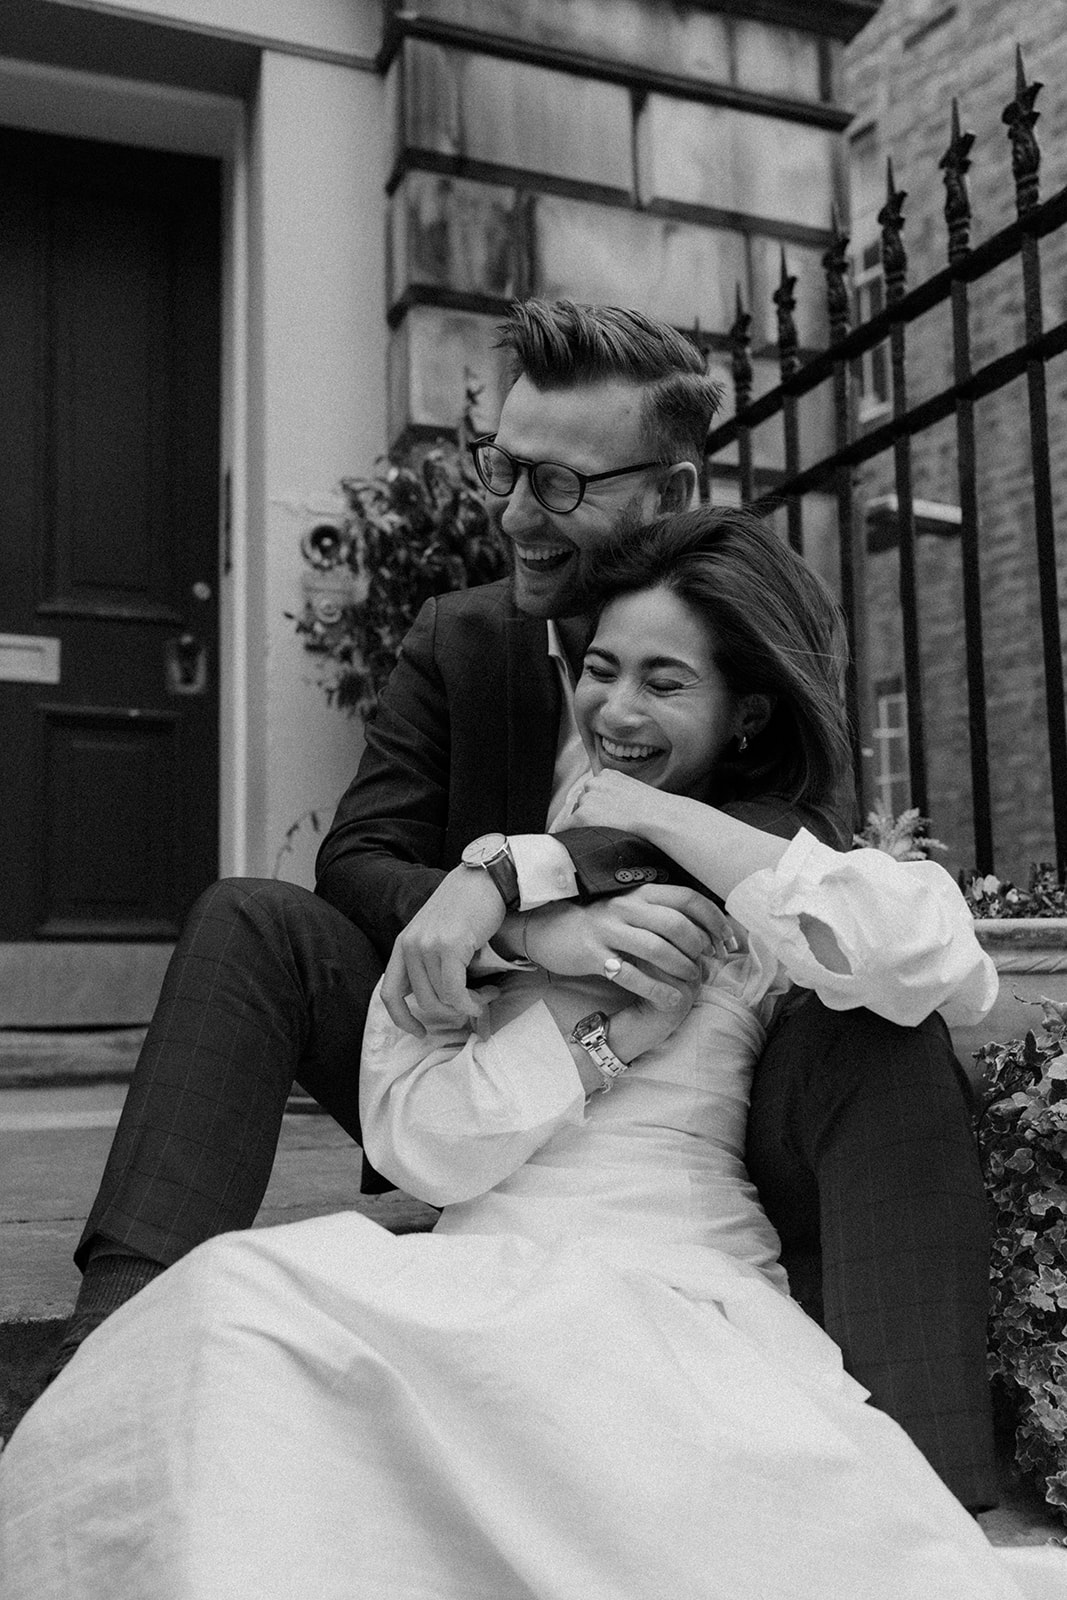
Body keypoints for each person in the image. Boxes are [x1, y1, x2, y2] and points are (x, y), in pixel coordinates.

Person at [2, 510, 1057, 1600]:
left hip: (679, 1280)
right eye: (600, 670)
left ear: (745, 713)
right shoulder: (492, 892)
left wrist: (638, 813)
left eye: (663, 681)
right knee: (232, 1317)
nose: (617, 705)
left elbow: (937, 961)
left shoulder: (769, 898)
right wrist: (573, 1008)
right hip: (483, 1260)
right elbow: (423, 1143)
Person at [53, 300, 994, 1510]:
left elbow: (790, 851)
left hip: (709, 1089)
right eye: (504, 469)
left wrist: (637, 868)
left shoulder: (750, 622)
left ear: (668, 486)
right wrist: (517, 913)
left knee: (875, 1010)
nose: (510, 514)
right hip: (472, 1038)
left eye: (554, 482)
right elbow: (360, 859)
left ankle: (923, 1469)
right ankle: (120, 1331)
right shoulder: (459, 638)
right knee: (247, 920)